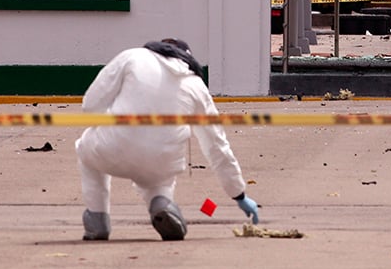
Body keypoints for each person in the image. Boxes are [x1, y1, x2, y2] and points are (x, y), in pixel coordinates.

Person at [74, 38, 260, 241]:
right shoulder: (196, 85)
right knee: (162, 177)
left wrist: (111, 123)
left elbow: (90, 106)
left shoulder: (133, 57)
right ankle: (161, 202)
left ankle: (97, 218)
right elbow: (216, 146)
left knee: (85, 148)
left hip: (113, 147)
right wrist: (239, 194)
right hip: (162, 163)